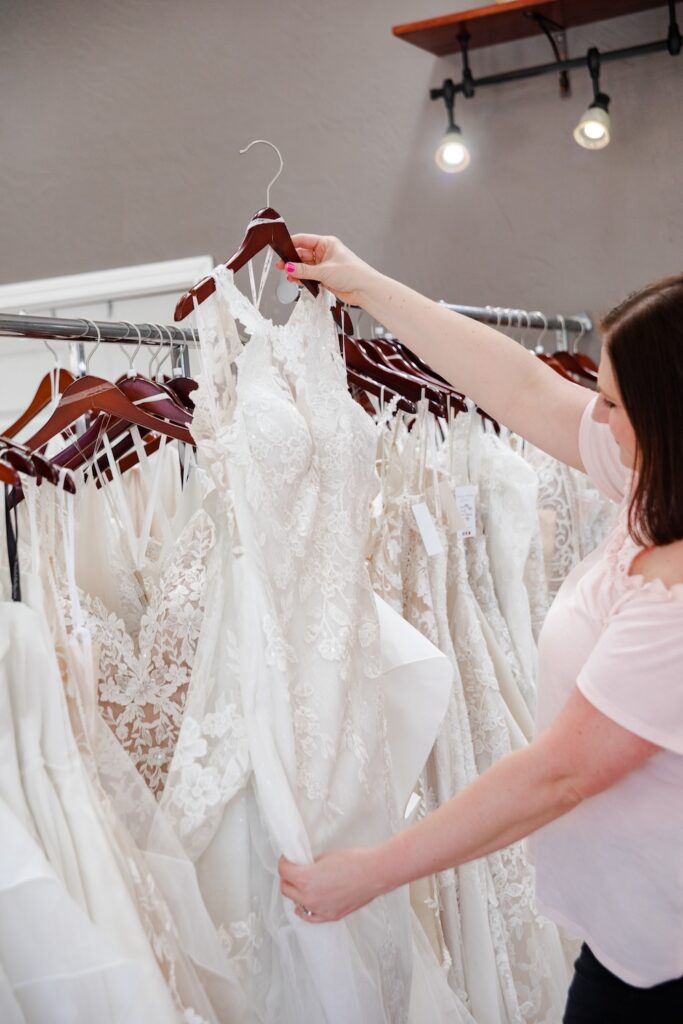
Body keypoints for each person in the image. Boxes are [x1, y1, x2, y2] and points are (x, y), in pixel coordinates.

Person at [276, 240, 683, 1023]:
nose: (595, 416)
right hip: (629, 942)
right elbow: (526, 389)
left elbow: (559, 775)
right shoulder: (647, 483)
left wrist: (372, 872)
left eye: (614, 405)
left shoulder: (674, 598)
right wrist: (363, 283)